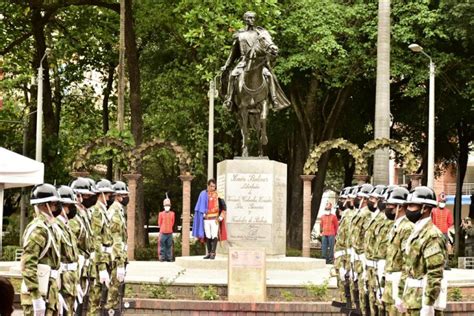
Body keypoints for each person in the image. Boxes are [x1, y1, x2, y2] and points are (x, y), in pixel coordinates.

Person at [220, 11, 289, 111]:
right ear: (245, 19)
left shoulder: (260, 34)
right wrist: (226, 65)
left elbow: (266, 46)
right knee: (232, 75)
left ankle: (274, 99)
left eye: (253, 18)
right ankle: (229, 100)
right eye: (250, 18)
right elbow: (233, 53)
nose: (252, 20)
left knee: (269, 75)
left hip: (258, 63)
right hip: (244, 62)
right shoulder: (240, 35)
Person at [397, 186, 447, 315]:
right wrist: (400, 294)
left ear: (425, 208)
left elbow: (435, 273)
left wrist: (428, 304)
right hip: (411, 300)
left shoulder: (432, 235)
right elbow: (407, 267)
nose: (408, 210)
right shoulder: (416, 231)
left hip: (422, 302)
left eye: (412, 206)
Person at [21, 183, 62, 316]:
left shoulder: (48, 227)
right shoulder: (38, 229)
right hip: (39, 293)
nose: (56, 208)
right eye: (54, 204)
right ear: (45, 205)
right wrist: (36, 296)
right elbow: (28, 265)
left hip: (49, 292)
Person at [382, 186, 414, 316]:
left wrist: (402, 291)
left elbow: (408, 260)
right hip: (391, 280)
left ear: (400, 207)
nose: (387, 208)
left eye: (390, 205)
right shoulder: (396, 226)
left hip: (399, 280)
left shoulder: (407, 228)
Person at [69, 177, 95, 314]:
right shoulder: (74, 218)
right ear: (77, 196)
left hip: (85, 267)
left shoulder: (84, 214)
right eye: (87, 196)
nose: (90, 199)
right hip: (77, 269)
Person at [88, 179, 115, 314]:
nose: (110, 198)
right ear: (102, 194)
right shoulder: (97, 211)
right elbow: (96, 239)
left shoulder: (103, 211)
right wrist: (102, 266)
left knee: (100, 300)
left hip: (104, 258)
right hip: (99, 261)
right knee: (95, 300)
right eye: (109, 195)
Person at [55, 185, 80, 315]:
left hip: (70, 282)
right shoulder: (56, 227)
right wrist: (57, 290)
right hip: (62, 283)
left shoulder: (66, 226)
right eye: (68, 206)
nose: (70, 210)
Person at [363, 184, 387, 316]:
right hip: (371, 262)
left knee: (380, 300)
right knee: (372, 298)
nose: (372, 202)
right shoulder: (374, 217)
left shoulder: (384, 220)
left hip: (380, 263)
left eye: (375, 199)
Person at [106, 180, 129, 311]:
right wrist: (119, 264)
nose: (126, 198)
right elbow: (116, 240)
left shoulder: (118, 211)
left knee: (116, 293)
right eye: (124, 195)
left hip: (119, 256)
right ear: (117, 196)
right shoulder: (114, 213)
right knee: (112, 297)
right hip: (116, 259)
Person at [192, 179, 225, 260]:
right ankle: (209, 253)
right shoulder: (203, 194)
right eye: (211, 186)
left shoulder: (218, 194)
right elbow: (199, 206)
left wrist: (221, 216)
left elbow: (224, 206)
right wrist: (202, 213)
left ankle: (213, 253)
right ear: (208, 185)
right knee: (208, 235)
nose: (213, 188)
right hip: (206, 218)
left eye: (214, 186)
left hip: (215, 219)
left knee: (214, 235)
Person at [431, 192, 453, 269]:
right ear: (438, 201)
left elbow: (450, 222)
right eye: (441, 201)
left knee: (445, 248)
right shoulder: (433, 211)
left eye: (443, 202)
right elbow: (432, 222)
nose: (442, 203)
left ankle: (446, 265)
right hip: (436, 232)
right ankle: (435, 264)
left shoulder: (448, 211)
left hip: (444, 233)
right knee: (435, 248)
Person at [158, 195, 175, 262]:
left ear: (170, 206)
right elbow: (159, 223)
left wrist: (169, 228)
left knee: (169, 245)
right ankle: (162, 258)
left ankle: (169, 258)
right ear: (164, 206)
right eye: (166, 205)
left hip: (169, 232)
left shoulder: (172, 213)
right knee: (162, 246)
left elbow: (173, 222)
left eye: (168, 205)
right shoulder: (161, 214)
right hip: (163, 232)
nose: (167, 207)